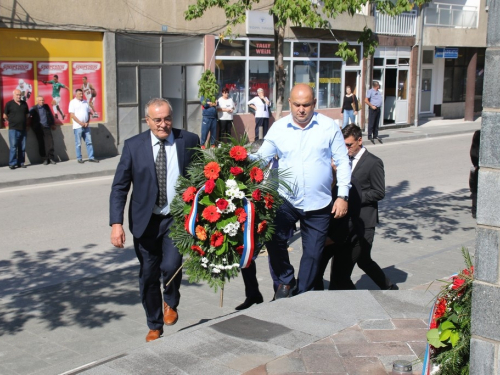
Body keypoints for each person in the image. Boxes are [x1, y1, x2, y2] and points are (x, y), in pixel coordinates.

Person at [110, 98, 200, 342]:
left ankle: (170, 300)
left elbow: (202, 180)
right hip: (146, 220)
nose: (163, 124)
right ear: (147, 120)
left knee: (171, 266)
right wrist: (116, 223)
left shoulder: (189, 141)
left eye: (167, 118)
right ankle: (154, 323)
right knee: (148, 275)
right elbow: (120, 187)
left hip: (176, 218)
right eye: (157, 120)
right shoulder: (133, 146)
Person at [251, 83, 351, 299]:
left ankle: (301, 294)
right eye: (297, 104)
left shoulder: (328, 127)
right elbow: (261, 158)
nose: (301, 109)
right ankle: (286, 280)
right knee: (272, 236)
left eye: (306, 105)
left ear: (314, 103)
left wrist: (343, 195)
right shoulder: (278, 128)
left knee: (314, 255)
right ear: (290, 103)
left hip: (319, 203)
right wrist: (237, 160)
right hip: (286, 200)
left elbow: (343, 161)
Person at [316, 124, 397, 291]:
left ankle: (388, 288)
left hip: (364, 222)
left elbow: (379, 192)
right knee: (340, 270)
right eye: (343, 145)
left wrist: (353, 197)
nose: (345, 149)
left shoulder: (373, 162)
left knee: (362, 260)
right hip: (342, 224)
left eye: (349, 145)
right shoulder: (340, 159)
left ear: (360, 140)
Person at [69, 89, 99, 163]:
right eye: (79, 94)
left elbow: (88, 113)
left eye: (82, 94)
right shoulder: (72, 102)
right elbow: (72, 115)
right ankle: (79, 158)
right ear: (76, 94)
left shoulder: (85, 102)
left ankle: (91, 157)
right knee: (78, 143)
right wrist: (80, 123)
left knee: (89, 142)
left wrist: (87, 122)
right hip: (77, 126)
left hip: (86, 126)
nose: (81, 95)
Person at [3, 89, 29, 169]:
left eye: (20, 95)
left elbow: (27, 115)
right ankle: (12, 163)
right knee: (13, 146)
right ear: (13, 95)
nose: (19, 96)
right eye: (17, 95)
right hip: (13, 129)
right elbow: (4, 116)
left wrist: (26, 124)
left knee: (22, 147)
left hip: (23, 129)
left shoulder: (24, 104)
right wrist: (10, 121)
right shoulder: (9, 104)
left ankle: (21, 163)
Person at [29, 96, 57, 165]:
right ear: (37, 101)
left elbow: (50, 115)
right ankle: (44, 159)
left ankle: (51, 158)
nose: (42, 102)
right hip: (38, 128)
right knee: (41, 144)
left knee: (50, 143)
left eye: (43, 100)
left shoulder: (46, 107)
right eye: (40, 100)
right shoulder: (34, 108)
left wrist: (53, 124)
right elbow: (28, 115)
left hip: (46, 127)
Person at [469, 130, 480, 218]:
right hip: (479, 168)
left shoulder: (478, 134)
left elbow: (473, 151)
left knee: (476, 190)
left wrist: (475, 164)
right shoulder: (479, 134)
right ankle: (475, 211)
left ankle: (475, 211)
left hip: (478, 168)